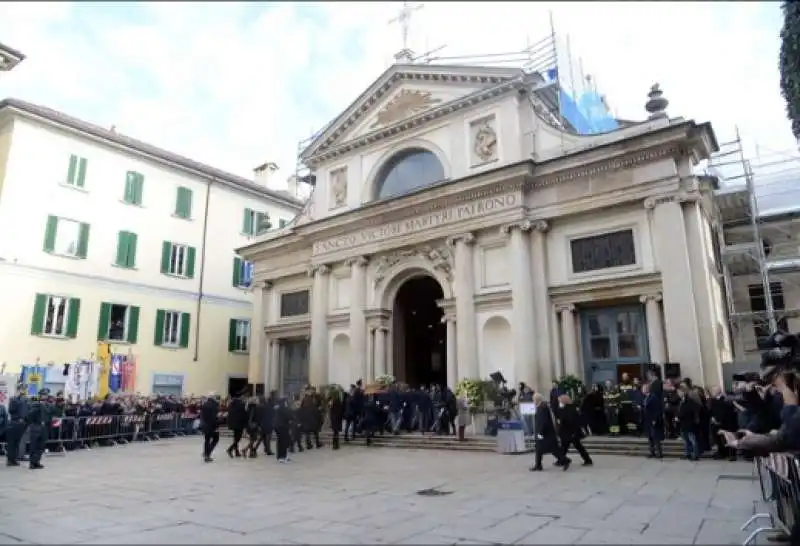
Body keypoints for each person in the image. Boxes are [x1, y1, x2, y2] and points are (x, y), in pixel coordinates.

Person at [530, 393, 570, 472]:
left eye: (533, 399)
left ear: (537, 400)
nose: (533, 401)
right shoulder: (542, 407)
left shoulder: (542, 408)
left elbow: (543, 422)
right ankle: (538, 465)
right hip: (545, 433)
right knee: (539, 449)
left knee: (552, 449)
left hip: (545, 434)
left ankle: (565, 460)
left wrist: (540, 433)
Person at [555, 394, 592, 466]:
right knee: (566, 447)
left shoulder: (570, 408)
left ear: (564, 401)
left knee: (570, 447)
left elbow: (569, 420)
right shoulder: (570, 407)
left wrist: (561, 421)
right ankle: (561, 460)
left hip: (570, 432)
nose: (559, 402)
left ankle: (587, 460)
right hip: (569, 432)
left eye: (560, 400)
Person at [641, 383, 664, 459]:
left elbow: (656, 410)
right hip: (647, 421)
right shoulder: (645, 398)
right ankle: (652, 452)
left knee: (655, 437)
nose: (642, 390)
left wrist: (655, 419)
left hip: (653, 420)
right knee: (650, 437)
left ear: (648, 389)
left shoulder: (653, 397)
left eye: (644, 388)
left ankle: (659, 453)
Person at [6, 391, 28, 467]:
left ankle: (12, 460)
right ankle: (11, 460)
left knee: (14, 443)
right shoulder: (16, 402)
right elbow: (13, 410)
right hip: (15, 423)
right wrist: (16, 397)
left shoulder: (18, 402)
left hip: (16, 424)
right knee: (13, 443)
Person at [26, 391, 47, 470]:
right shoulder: (35, 405)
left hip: (43, 428)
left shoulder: (46, 405)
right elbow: (30, 415)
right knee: (33, 446)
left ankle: (36, 462)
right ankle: (32, 463)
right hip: (35, 426)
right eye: (43, 395)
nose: (45, 397)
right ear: (40, 396)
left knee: (41, 447)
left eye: (46, 395)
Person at [200, 393, 220, 462]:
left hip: (205, 425)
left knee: (207, 440)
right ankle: (207, 453)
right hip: (213, 425)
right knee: (216, 439)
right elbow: (215, 417)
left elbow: (202, 415)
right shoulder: (215, 405)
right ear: (213, 397)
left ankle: (206, 453)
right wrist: (218, 421)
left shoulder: (204, 404)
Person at [226, 392, 247, 458]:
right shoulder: (241, 404)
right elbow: (243, 414)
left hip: (233, 423)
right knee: (238, 438)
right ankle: (230, 449)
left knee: (235, 437)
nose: (244, 398)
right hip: (239, 423)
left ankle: (236, 451)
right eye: (244, 397)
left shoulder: (232, 403)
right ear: (241, 397)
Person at [273, 398, 292, 463]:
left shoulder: (278, 409)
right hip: (282, 427)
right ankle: (282, 457)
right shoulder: (283, 409)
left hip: (278, 427)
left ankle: (282, 456)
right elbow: (288, 417)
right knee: (283, 442)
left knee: (281, 442)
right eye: (286, 402)